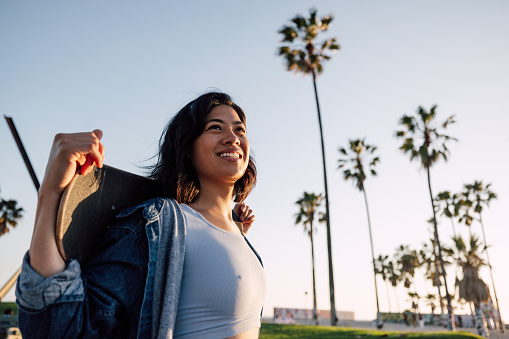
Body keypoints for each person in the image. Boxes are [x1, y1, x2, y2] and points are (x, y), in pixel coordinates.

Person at [16, 92, 266, 338]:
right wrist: (50, 194)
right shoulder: (156, 223)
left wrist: (231, 232)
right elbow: (70, 327)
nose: (232, 138)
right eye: (215, 128)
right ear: (188, 147)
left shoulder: (238, 232)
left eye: (239, 130)